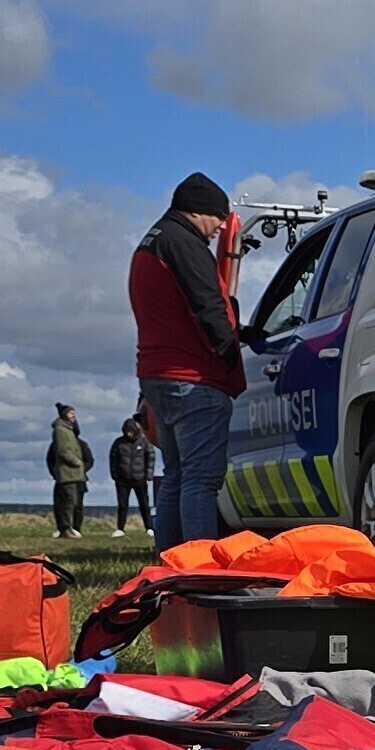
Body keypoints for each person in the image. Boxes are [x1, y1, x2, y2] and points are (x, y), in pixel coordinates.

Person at [129, 172, 244, 553]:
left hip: (157, 376)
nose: (221, 227)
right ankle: (200, 567)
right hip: (193, 377)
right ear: (197, 212)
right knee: (201, 480)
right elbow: (208, 307)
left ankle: (170, 562)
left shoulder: (154, 241)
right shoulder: (185, 244)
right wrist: (230, 358)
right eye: (218, 218)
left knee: (176, 477)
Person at [44, 402, 90, 537]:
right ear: (65, 415)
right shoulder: (61, 430)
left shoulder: (69, 429)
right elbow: (63, 451)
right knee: (68, 501)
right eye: (71, 413)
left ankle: (69, 528)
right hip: (67, 472)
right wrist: (77, 462)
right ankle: (65, 528)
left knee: (73, 501)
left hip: (74, 473)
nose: (74, 416)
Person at [109, 410, 156, 533]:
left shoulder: (144, 442)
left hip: (140, 479)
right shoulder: (118, 443)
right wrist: (115, 475)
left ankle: (149, 528)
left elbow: (150, 457)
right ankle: (120, 529)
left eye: (130, 431)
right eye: (126, 431)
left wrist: (148, 475)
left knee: (144, 504)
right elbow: (113, 459)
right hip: (122, 480)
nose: (128, 433)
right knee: (122, 505)